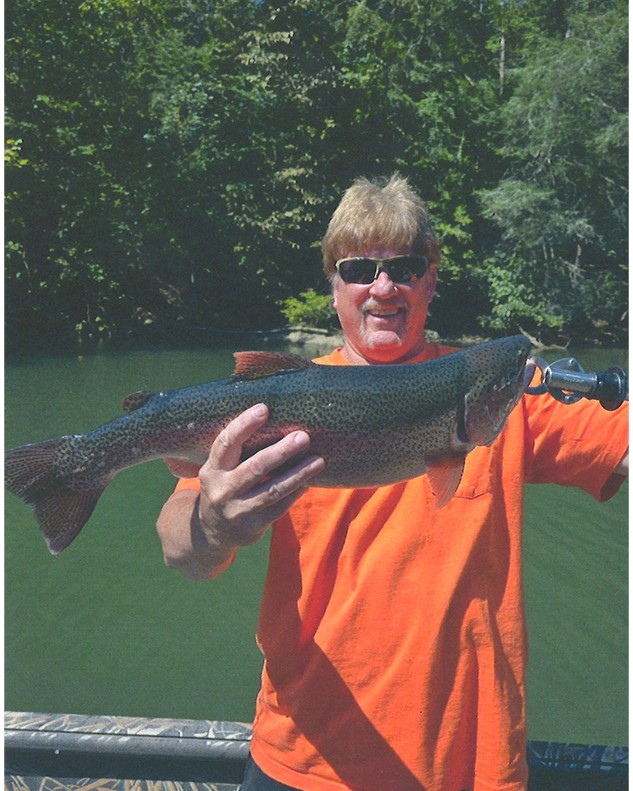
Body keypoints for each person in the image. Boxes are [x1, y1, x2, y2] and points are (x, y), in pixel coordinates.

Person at [156, 175, 628, 791]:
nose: (383, 287)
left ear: (430, 279)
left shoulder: (501, 393)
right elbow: (181, 549)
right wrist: (213, 524)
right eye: (358, 270)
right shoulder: (270, 408)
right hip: (305, 761)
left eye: (404, 268)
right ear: (334, 287)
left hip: (469, 768)